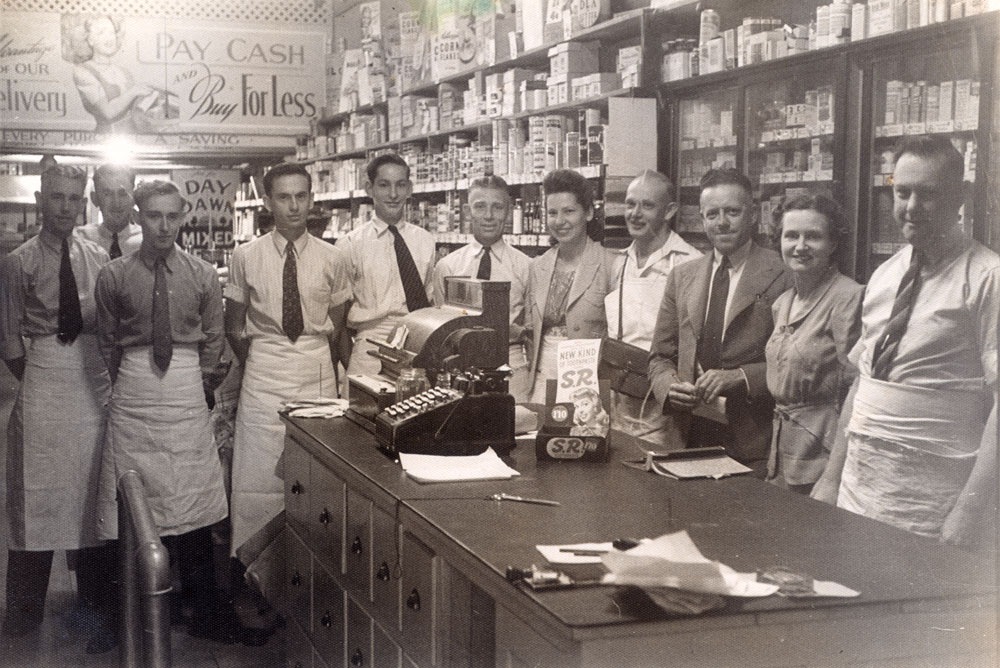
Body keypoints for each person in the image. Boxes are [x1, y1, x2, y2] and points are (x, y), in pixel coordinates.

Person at [812, 135, 998, 551]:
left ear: (960, 197)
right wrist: (830, 479)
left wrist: (968, 510)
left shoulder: (988, 278)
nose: (911, 207)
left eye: (928, 194)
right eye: (903, 192)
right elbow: (864, 384)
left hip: (934, 492)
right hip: (860, 484)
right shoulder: (885, 275)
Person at [94, 180, 239, 643]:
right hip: (134, 391)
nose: (163, 225)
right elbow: (106, 343)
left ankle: (203, 610)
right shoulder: (114, 275)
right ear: (139, 216)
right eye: (154, 215)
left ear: (183, 217)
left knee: (192, 496)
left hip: (183, 388)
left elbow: (215, 340)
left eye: (172, 216)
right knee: (134, 499)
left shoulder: (199, 274)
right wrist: (124, 386)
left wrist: (198, 385)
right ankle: (134, 614)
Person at [0, 165, 111, 639]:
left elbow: (107, 326)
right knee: (35, 493)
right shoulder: (17, 261)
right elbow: (9, 339)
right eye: (57, 198)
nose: (65, 207)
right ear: (42, 200)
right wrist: (43, 377)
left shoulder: (98, 256)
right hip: (43, 377)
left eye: (73, 198)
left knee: (90, 494)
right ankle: (23, 614)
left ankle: (93, 608)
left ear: (82, 201)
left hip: (89, 381)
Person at [225, 163, 351, 556]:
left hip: (314, 370)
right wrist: (262, 359)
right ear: (267, 202)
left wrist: (312, 358)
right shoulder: (246, 256)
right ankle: (253, 573)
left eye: (301, 196)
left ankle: (313, 571)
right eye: (284, 197)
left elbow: (337, 323)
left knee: (315, 474)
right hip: (264, 371)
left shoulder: (333, 257)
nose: (294, 206)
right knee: (258, 479)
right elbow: (233, 325)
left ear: (312, 199)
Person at [648, 168, 792, 472]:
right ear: (702, 219)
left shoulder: (782, 273)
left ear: (753, 215)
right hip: (689, 435)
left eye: (732, 212)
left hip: (753, 440)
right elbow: (660, 356)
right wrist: (669, 387)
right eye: (712, 214)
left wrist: (741, 376)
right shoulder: (683, 276)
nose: (722, 222)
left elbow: (793, 363)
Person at [764, 194, 863, 494]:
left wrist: (832, 478)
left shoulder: (848, 297)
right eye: (791, 235)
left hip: (823, 457)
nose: (800, 246)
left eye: (814, 237)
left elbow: (858, 391)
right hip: (782, 455)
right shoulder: (782, 304)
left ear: (833, 244)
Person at [604, 170, 701, 443]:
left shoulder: (690, 263)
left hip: (663, 405)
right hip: (620, 398)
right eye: (630, 204)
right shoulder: (620, 262)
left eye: (647, 205)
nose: (635, 213)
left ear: (669, 211)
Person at [432, 175, 532, 401]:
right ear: (467, 211)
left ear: (508, 212)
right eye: (480, 207)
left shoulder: (526, 266)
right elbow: (441, 328)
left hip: (512, 364)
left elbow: (530, 327)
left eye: (497, 207)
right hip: (460, 365)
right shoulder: (448, 266)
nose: (488, 216)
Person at [339, 153, 435, 378]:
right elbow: (338, 319)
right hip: (370, 347)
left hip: (417, 345)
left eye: (400, 185)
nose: (393, 194)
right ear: (369, 189)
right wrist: (353, 366)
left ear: (409, 189)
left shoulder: (425, 240)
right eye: (384, 185)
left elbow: (430, 302)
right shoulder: (351, 244)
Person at [526, 169, 617, 404]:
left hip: (588, 384)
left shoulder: (610, 264)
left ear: (588, 212)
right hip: (541, 379)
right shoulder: (538, 266)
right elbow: (530, 331)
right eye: (552, 213)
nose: (559, 221)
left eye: (569, 211)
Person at [71, 15, 152, 134]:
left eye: (111, 33)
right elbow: (108, 112)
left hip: (133, 139)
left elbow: (136, 110)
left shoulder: (124, 71)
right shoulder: (83, 71)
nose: (109, 38)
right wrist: (134, 91)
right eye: (101, 33)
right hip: (106, 140)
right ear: (90, 40)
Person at [75, 163, 143, 258]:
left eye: (123, 194)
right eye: (107, 194)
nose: (116, 203)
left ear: (134, 198)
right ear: (95, 199)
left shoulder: (147, 241)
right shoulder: (79, 240)